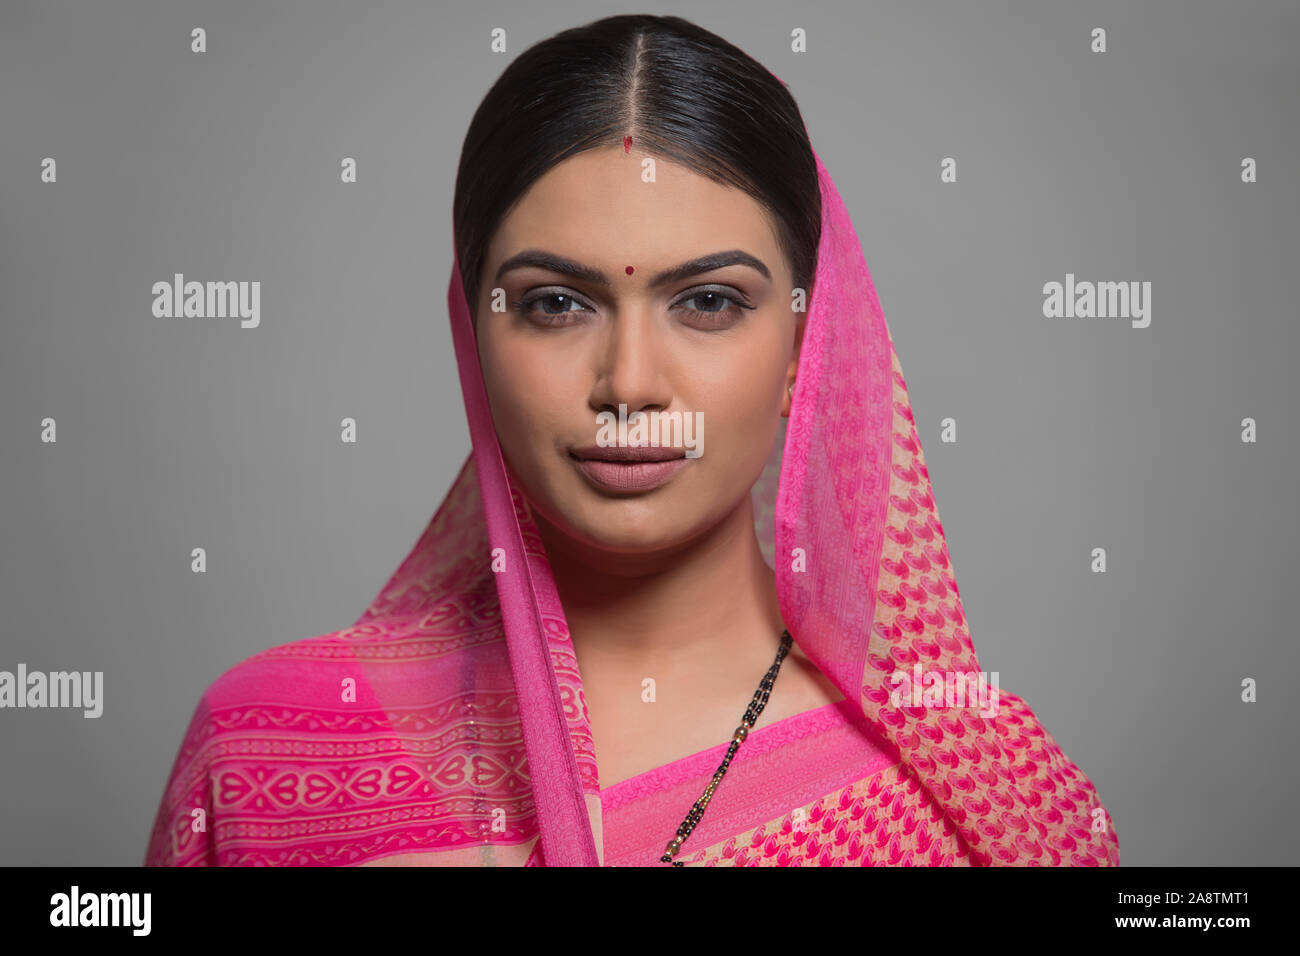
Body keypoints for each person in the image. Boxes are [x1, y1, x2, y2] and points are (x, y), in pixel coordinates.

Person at [145, 13, 1119, 867]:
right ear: (474, 334)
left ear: (802, 349)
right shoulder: (266, 750)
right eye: (556, 303)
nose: (631, 383)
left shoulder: (974, 811)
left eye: (707, 301)